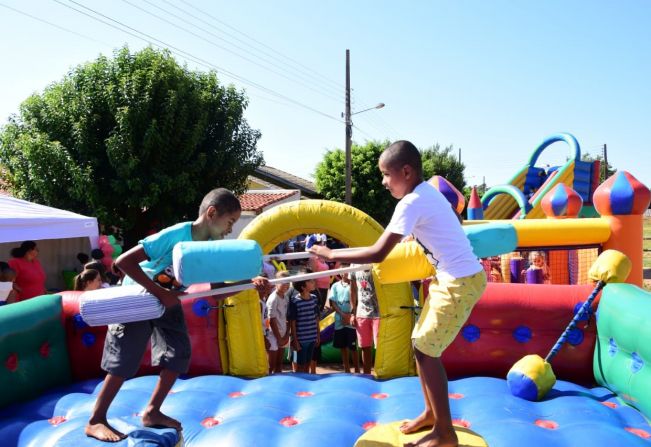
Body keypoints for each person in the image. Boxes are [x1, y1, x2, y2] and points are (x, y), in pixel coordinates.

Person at [310, 141, 486, 447]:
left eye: (386, 175)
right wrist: (340, 256)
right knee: (420, 346)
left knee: (427, 351)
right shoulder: (426, 194)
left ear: (406, 171)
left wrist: (331, 251)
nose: (382, 182)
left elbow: (379, 252)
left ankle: (446, 433)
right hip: (452, 278)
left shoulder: (412, 202)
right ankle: (432, 414)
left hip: (458, 281)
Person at [85, 188, 268, 442]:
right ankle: (96, 420)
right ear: (212, 213)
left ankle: (152, 411)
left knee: (178, 353)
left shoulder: (212, 248)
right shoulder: (176, 234)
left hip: (166, 300)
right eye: (230, 222)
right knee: (124, 361)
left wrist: (248, 283)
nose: (231, 229)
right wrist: (160, 293)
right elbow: (124, 263)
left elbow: (215, 293)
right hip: (139, 296)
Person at [287, 270, 320, 374]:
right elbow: (293, 323)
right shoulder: (295, 301)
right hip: (301, 340)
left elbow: (316, 318)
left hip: (312, 337)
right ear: (303, 287)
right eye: (310, 281)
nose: (313, 282)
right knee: (300, 366)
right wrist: (295, 341)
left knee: (307, 364)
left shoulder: (314, 299)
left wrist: (318, 335)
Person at [327, 268, 359, 373]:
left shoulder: (355, 285)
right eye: (344, 270)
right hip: (339, 320)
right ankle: (346, 369)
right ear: (340, 273)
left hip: (352, 320)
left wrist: (351, 315)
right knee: (343, 347)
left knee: (353, 347)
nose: (346, 273)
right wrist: (343, 315)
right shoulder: (335, 286)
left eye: (348, 270)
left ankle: (357, 370)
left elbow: (358, 301)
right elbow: (333, 303)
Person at [350, 267, 380, 375]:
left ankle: (379, 373)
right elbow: (353, 289)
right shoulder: (354, 265)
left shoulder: (376, 261)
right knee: (365, 347)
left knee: (380, 347)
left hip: (379, 313)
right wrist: (352, 312)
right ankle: (367, 375)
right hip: (362, 313)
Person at [266, 271, 291, 374]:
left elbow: (287, 317)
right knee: (271, 364)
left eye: (288, 282)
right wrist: (279, 338)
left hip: (283, 333)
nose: (286, 285)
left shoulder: (286, 297)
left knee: (279, 363)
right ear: (276, 283)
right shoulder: (273, 299)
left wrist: (286, 335)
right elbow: (271, 319)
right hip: (273, 335)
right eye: (283, 282)